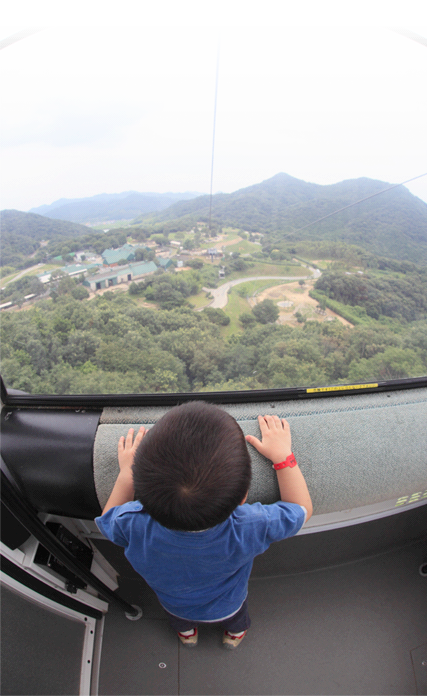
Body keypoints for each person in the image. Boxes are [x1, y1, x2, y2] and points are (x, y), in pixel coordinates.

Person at [95, 401, 313, 649]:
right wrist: (283, 456)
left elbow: (108, 519)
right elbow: (302, 510)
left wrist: (125, 475)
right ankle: (234, 635)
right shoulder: (251, 525)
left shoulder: (132, 523)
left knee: (180, 622)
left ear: (140, 484)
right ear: (242, 499)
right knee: (237, 620)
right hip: (229, 603)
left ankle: (187, 635)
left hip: (174, 604)